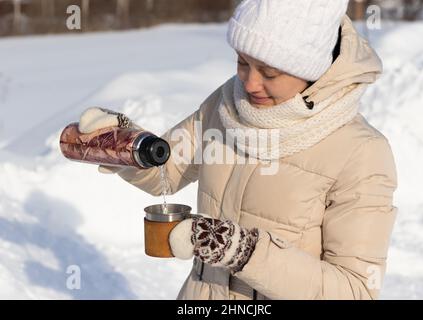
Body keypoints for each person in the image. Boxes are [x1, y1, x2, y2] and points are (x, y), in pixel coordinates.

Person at [78, 0, 398, 300]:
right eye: (242, 62)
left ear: (312, 69)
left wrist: (242, 251)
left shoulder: (362, 152)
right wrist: (126, 145)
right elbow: (166, 172)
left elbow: (355, 290)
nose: (250, 83)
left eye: (269, 72)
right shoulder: (228, 103)